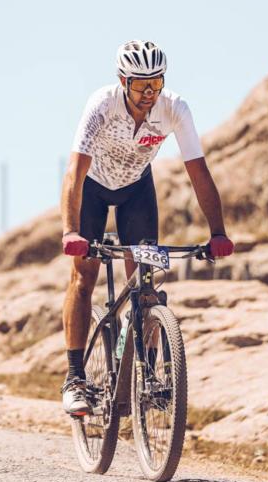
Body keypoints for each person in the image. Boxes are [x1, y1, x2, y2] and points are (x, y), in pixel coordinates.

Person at [60, 39, 234, 416]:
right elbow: (75, 172)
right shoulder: (102, 105)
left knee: (146, 286)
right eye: (141, 85)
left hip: (136, 191)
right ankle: (75, 378)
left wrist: (218, 232)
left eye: (155, 83)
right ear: (124, 81)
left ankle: (149, 376)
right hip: (93, 189)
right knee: (83, 277)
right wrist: (71, 231)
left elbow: (198, 172)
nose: (149, 93)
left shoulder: (174, 109)